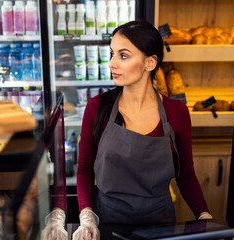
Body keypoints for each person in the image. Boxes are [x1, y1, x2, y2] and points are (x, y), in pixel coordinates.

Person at [72, 20, 212, 240]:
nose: (111, 64)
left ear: (150, 62)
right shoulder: (97, 108)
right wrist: (87, 215)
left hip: (160, 225)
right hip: (107, 222)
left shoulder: (176, 113)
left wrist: (204, 216)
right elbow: (84, 170)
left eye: (123, 56)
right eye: (112, 53)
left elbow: (185, 175)